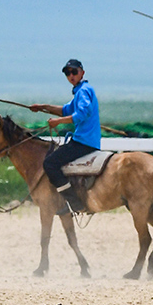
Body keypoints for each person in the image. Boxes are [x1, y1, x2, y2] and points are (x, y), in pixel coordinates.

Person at [30, 59, 100, 215]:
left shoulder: (83, 91)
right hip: (87, 141)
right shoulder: (80, 90)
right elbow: (65, 110)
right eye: (68, 73)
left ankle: (75, 203)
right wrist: (43, 107)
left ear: (82, 72)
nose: (71, 76)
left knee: (50, 163)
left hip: (84, 142)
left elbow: (81, 114)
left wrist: (58, 122)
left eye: (74, 72)